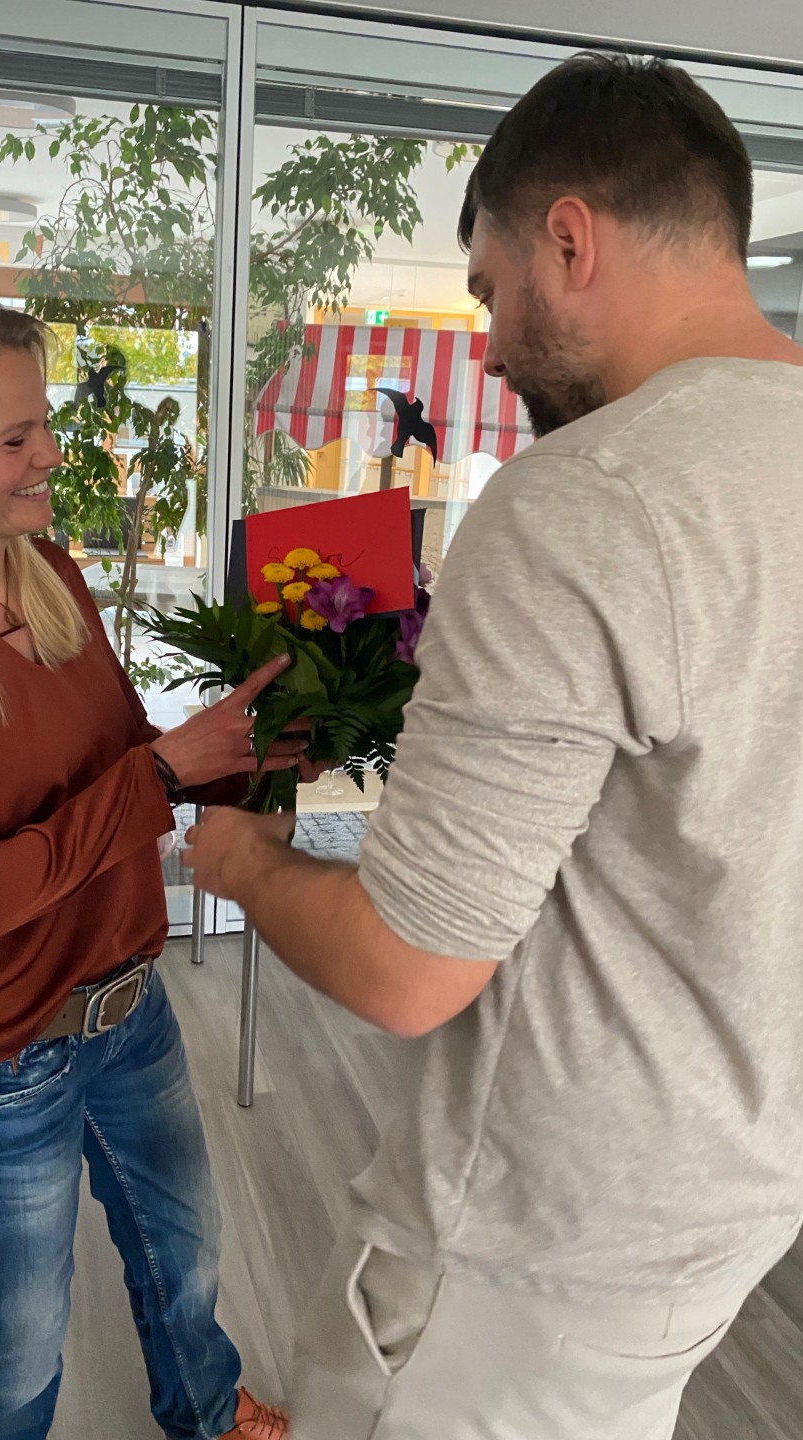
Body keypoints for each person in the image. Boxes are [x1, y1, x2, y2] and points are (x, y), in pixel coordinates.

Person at [183, 53, 803, 1440]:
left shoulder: (589, 498)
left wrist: (241, 865)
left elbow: (407, 972)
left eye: (490, 292)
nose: (491, 347)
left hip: (534, 1242)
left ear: (568, 239)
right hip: (737, 1195)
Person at [0, 290, 305, 1440]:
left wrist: (262, 743)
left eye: (45, 424)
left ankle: (208, 1410)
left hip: (128, 1007)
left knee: (184, 1253)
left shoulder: (47, 573)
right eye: (16, 436)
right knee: (19, 1336)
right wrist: (166, 778)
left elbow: (129, 762)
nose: (53, 455)